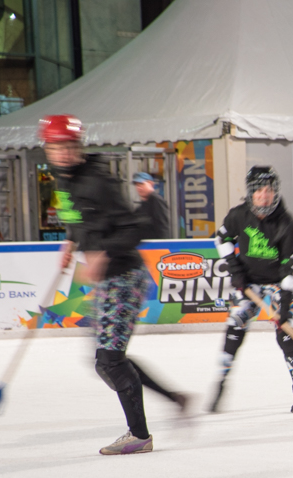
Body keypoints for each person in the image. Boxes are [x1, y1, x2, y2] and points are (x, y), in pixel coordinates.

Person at [42, 114, 186, 455]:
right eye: (56, 147)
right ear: (47, 150)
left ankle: (140, 435)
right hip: (108, 280)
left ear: (78, 146)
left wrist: (104, 252)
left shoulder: (99, 181)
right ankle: (175, 399)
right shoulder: (62, 181)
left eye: (68, 146)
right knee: (105, 361)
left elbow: (134, 228)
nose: (63, 153)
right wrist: (71, 242)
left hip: (125, 276)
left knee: (109, 360)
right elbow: (77, 219)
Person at [209, 166, 293, 413]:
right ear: (251, 192)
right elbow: (222, 238)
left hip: (279, 284)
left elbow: (291, 269)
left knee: (286, 334)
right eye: (259, 190)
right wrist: (235, 270)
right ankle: (221, 383)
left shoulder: (287, 224)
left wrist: (284, 307)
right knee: (235, 328)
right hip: (249, 282)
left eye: (269, 190)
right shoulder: (238, 215)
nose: (265, 195)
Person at [132, 172, 170, 241]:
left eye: (141, 184)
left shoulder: (156, 200)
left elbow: (162, 227)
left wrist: (163, 245)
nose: (139, 187)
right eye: (137, 185)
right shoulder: (141, 207)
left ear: (151, 184)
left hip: (155, 245)